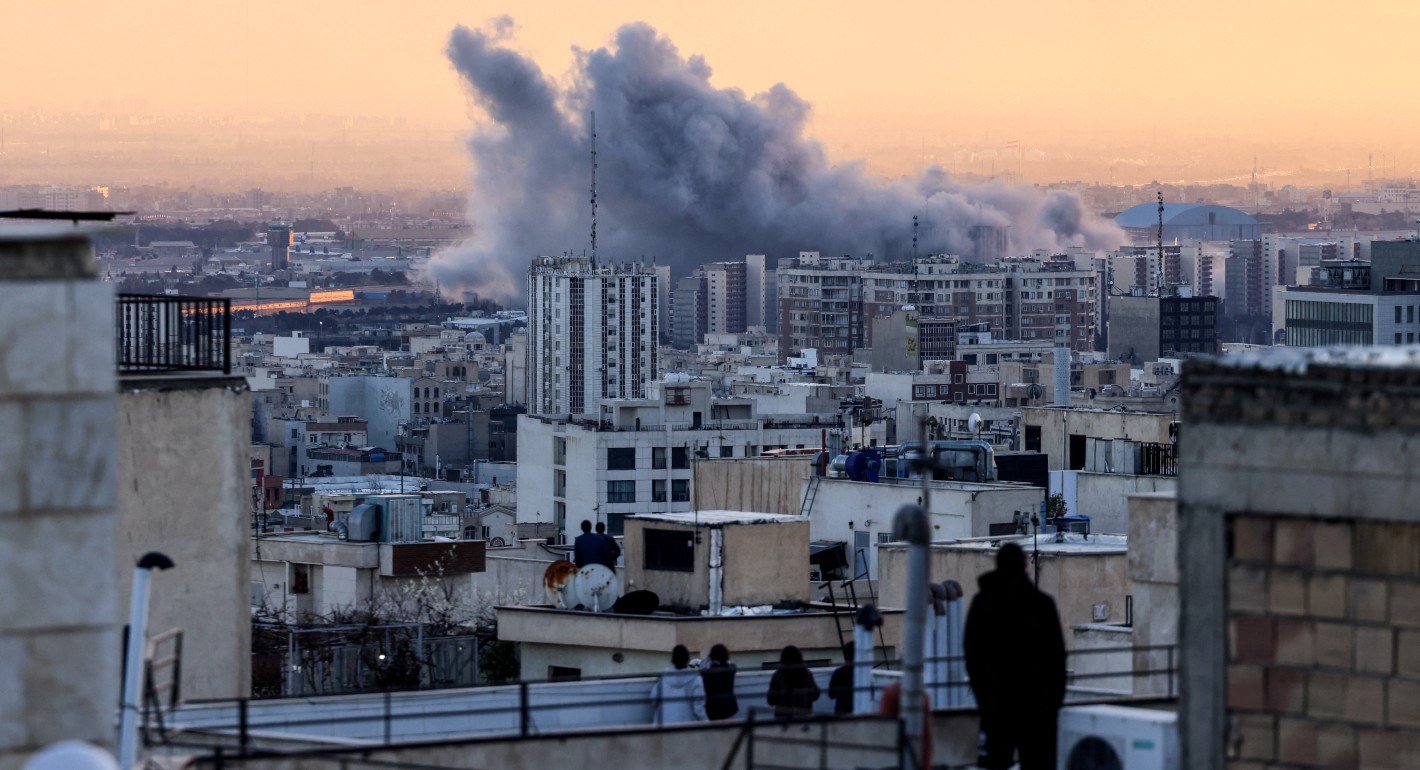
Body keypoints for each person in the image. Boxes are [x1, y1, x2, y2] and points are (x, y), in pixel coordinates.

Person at [963, 542, 1067, 770]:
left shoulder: (982, 604)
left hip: (997, 706)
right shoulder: (1042, 605)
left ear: (996, 564)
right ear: (1024, 564)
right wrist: (1053, 702)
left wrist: (985, 697)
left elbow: (972, 655)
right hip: (1037, 708)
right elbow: (1057, 658)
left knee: (998, 762)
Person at [650, 644, 707, 724]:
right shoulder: (695, 679)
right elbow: (699, 709)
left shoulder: (664, 678)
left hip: (663, 725)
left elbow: (654, 698)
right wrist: (707, 723)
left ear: (673, 659)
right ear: (687, 659)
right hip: (686, 727)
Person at [766, 644, 820, 718]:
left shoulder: (778, 675)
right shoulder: (806, 674)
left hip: (783, 719)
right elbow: (815, 695)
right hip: (803, 717)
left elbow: (771, 700)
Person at [701, 643, 739, 720]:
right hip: (728, 709)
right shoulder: (730, 670)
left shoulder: (708, 673)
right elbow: (733, 665)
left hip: (713, 711)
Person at [827, 641, 856, 715]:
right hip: (858, 714)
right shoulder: (863, 674)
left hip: (841, 713)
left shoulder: (838, 673)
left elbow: (831, 694)